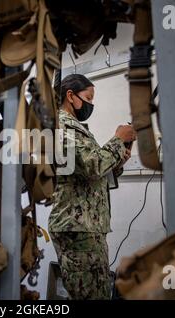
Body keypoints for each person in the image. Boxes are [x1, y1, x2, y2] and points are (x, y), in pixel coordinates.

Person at [49, 74, 136, 300]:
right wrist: (118, 139)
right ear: (70, 96)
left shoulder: (77, 128)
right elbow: (93, 164)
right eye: (88, 97)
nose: (91, 104)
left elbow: (92, 173)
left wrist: (117, 162)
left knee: (96, 291)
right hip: (76, 228)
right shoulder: (61, 127)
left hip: (88, 227)